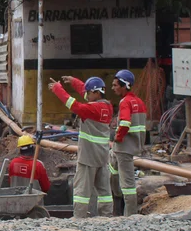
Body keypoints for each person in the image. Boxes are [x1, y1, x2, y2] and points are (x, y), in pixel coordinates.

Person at [49, 75, 114, 218]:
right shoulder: (106, 106)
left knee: (81, 191)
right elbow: (86, 94)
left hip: (88, 157)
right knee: (104, 191)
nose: (87, 95)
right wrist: (74, 82)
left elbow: (73, 104)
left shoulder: (92, 108)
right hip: (102, 157)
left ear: (96, 93)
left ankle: (79, 217)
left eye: (89, 93)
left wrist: (58, 89)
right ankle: (107, 217)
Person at [112, 69, 147, 216]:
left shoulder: (125, 102)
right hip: (133, 145)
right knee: (112, 167)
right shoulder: (139, 102)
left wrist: (118, 137)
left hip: (124, 147)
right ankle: (116, 201)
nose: (113, 88)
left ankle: (130, 216)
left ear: (124, 85)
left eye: (115, 85)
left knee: (128, 184)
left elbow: (125, 122)